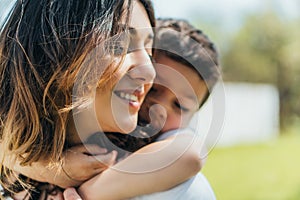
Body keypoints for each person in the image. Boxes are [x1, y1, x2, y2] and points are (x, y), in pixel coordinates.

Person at [0, 0, 157, 198]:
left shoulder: (165, 185)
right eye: (119, 45)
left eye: (150, 53)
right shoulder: (12, 176)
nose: (149, 72)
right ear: (54, 51)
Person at [67, 18, 220, 200]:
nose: (159, 108)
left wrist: (88, 193)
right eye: (153, 88)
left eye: (179, 106)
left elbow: (190, 155)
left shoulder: (169, 141)